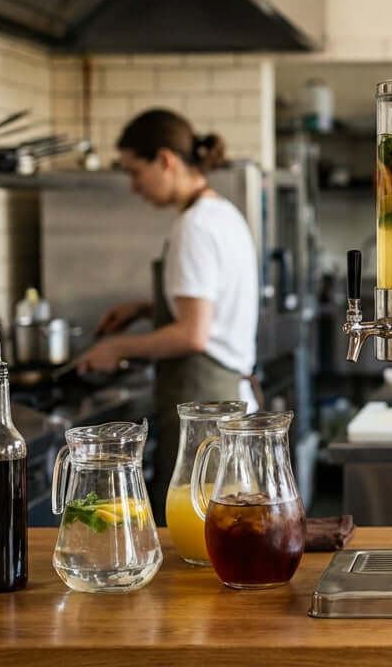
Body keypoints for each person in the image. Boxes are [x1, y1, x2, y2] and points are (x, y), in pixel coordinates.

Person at [76, 109, 260, 518]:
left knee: (194, 534)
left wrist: (116, 347)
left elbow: (193, 335)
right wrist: (146, 309)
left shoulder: (194, 227)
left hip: (205, 410)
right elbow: (211, 309)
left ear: (165, 160)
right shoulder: (222, 214)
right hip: (226, 398)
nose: (133, 186)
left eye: (134, 171)